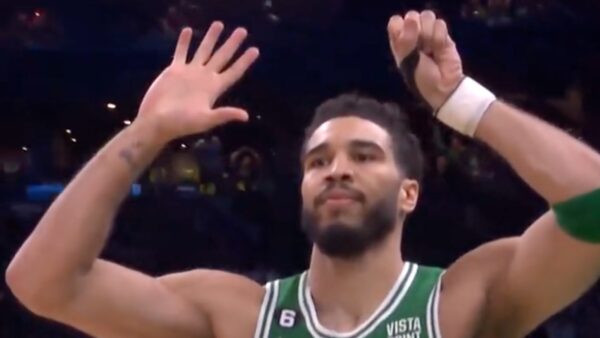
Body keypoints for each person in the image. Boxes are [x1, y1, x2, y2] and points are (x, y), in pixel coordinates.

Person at [6, 10, 600, 338]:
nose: (336, 170)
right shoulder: (236, 315)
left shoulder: (461, 302)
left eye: (364, 156)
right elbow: (43, 283)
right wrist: (147, 131)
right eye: (319, 161)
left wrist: (463, 105)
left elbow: (593, 204)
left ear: (409, 193)